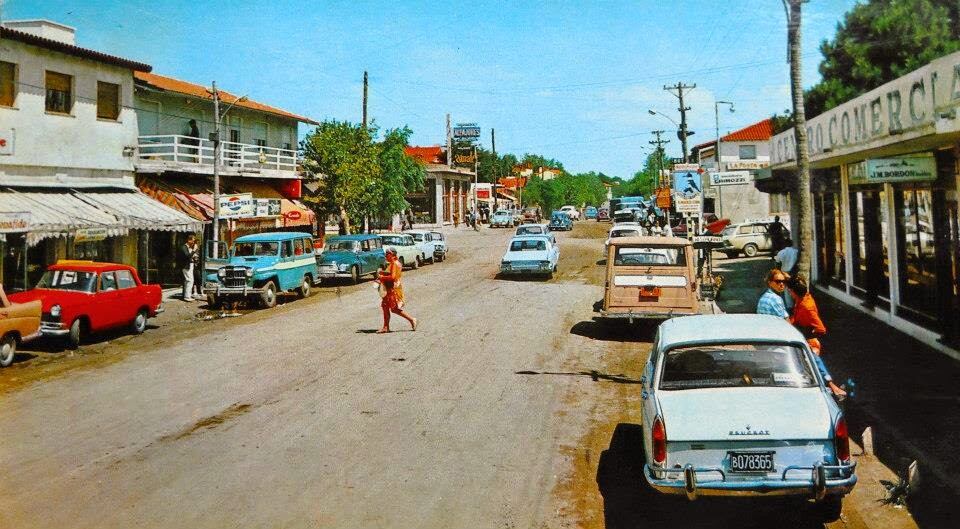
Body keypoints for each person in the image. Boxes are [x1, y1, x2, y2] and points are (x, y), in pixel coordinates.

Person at [787, 274, 846, 397]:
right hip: (802, 337)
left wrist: (804, 335)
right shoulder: (802, 299)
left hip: (809, 342)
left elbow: (821, 329)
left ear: (792, 291)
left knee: (815, 361)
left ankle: (832, 386)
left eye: (790, 290)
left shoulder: (806, 306)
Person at [376, 248, 417, 333]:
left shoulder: (394, 263)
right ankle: (386, 327)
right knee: (386, 306)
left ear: (392, 254)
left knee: (393, 308)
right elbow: (392, 274)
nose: (385, 255)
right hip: (394, 287)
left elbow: (393, 277)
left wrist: (381, 277)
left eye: (387, 254)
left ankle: (412, 319)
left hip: (392, 289)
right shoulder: (396, 263)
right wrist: (383, 273)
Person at [177, 234, 199, 301]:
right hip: (186, 266)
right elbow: (187, 256)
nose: (193, 242)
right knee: (190, 280)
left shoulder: (188, 248)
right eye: (193, 241)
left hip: (189, 266)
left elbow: (190, 256)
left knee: (188, 281)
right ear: (189, 240)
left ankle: (187, 295)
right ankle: (187, 296)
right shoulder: (184, 247)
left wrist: (194, 256)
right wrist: (194, 250)